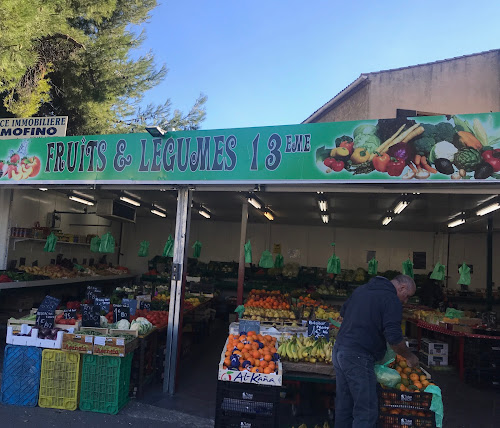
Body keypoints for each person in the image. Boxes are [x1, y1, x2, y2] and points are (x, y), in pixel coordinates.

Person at [332, 274, 419, 428]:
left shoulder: (362, 290)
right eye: (407, 296)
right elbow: (394, 338)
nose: (405, 301)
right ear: (402, 288)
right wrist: (409, 356)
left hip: (340, 350)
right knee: (366, 410)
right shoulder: (391, 299)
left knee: (345, 405)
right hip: (358, 356)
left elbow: (342, 315)